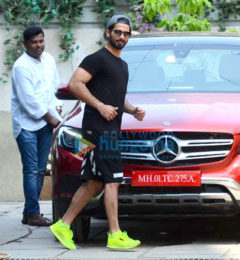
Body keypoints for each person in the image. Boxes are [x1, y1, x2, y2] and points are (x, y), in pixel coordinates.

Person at [50, 15, 146, 251]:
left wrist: (133, 110)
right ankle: (114, 235)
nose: (121, 36)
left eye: (126, 33)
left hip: (111, 130)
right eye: (117, 32)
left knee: (95, 182)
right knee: (112, 180)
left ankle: (63, 225)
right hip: (98, 130)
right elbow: (75, 84)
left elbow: (115, 96)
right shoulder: (97, 59)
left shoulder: (121, 65)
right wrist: (99, 106)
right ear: (108, 33)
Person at [11, 26, 62, 226]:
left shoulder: (49, 59)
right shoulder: (20, 66)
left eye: (41, 41)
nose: (39, 45)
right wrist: (52, 119)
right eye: (34, 42)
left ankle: (29, 212)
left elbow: (54, 88)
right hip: (26, 125)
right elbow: (28, 101)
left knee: (41, 170)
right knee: (31, 169)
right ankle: (32, 213)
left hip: (47, 122)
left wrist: (57, 113)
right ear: (25, 44)